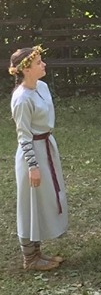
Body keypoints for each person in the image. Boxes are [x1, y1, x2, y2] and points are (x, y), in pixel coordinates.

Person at [9, 46, 68, 271]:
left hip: (46, 147)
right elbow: (23, 135)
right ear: (26, 70)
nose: (43, 65)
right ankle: (30, 258)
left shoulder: (42, 86)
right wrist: (33, 166)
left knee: (43, 199)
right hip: (31, 153)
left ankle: (38, 252)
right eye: (38, 63)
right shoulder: (21, 98)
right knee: (29, 202)